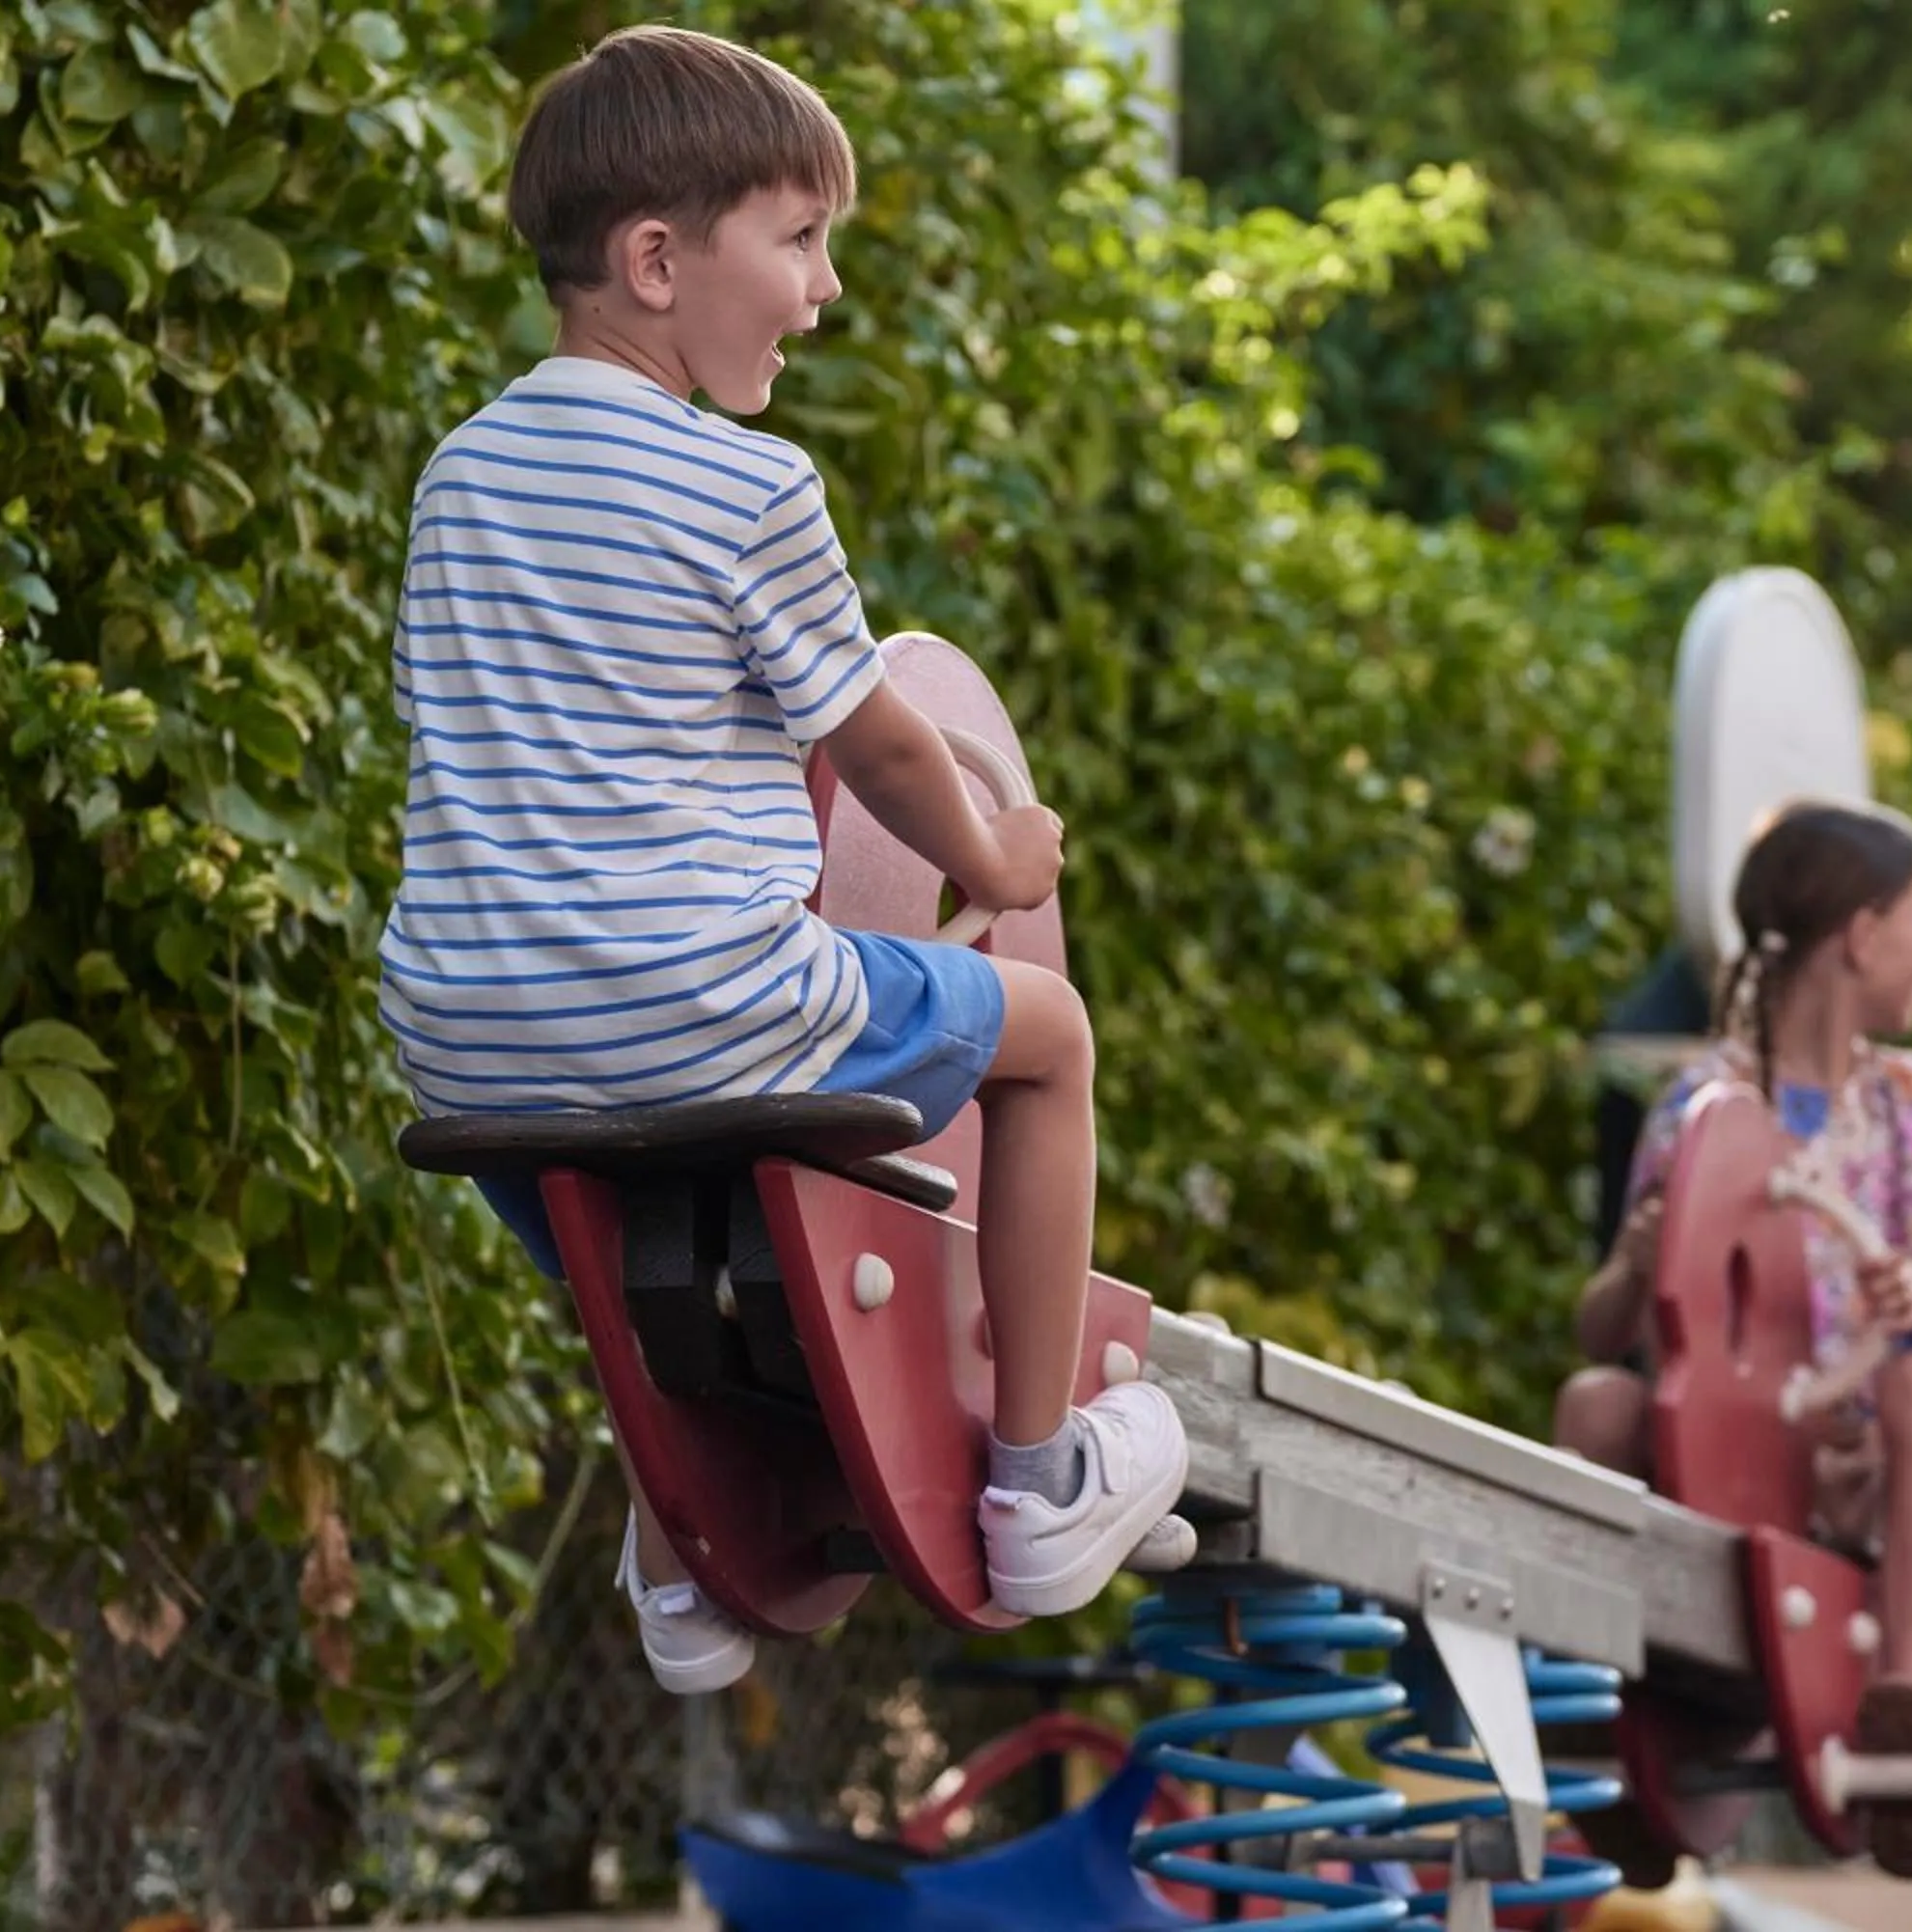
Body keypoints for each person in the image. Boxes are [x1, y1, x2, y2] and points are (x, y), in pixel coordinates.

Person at [380, 25, 1189, 1695]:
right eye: (801, 239)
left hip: (467, 1035)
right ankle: (1042, 1476)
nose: (822, 292)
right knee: (1049, 1042)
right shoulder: (745, 485)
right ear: (656, 262)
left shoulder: (458, 479)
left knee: (641, 1221)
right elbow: (882, 745)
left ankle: (677, 1553)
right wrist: (997, 851)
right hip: (698, 998)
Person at [1553, 799, 1912, 1876]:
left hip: (1886, 1456)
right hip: (1746, 1447)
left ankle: (1907, 1704)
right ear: (1862, 936)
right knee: (1596, 1403)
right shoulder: (1703, 1108)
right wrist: (1635, 1263)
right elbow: (1604, 1327)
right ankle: (1600, 1693)